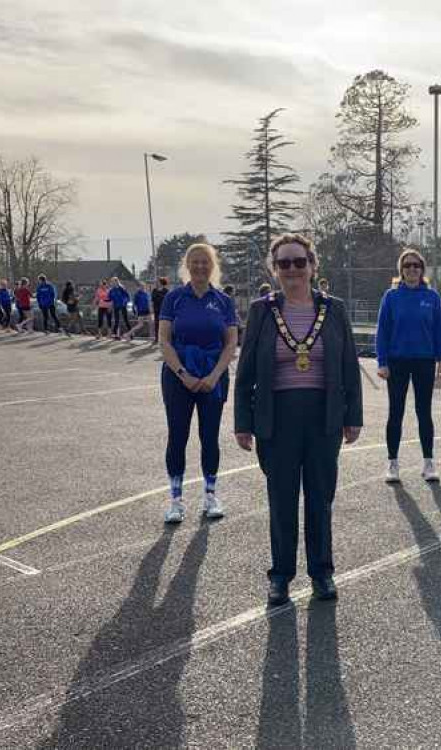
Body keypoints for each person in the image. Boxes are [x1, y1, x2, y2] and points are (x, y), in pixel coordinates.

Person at [234, 233, 363, 606]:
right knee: (282, 499)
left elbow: (348, 365)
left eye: (299, 262)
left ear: (312, 265)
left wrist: (352, 414)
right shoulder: (262, 310)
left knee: (320, 498)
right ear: (274, 270)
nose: (292, 269)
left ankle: (322, 573)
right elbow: (245, 373)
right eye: (284, 263)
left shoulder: (334, 308)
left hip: (324, 417)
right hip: (277, 418)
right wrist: (243, 421)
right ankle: (280, 576)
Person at [158, 243, 239, 525]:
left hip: (212, 376)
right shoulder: (174, 298)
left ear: (213, 265)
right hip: (178, 377)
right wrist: (183, 374)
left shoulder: (223, 301)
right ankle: (176, 501)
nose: (200, 266)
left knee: (210, 437)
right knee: (177, 437)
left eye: (205, 262)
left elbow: (231, 343)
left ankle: (210, 495)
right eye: (195, 262)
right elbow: (164, 341)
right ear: (187, 266)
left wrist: (214, 375)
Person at [375, 248, 441, 484]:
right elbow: (382, 330)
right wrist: (382, 362)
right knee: (395, 412)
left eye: (416, 265)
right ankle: (392, 463)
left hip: (424, 361)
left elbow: (439, 331)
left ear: (422, 269)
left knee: (424, 412)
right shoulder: (391, 296)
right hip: (397, 362)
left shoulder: (432, 297)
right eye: (407, 266)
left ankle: (428, 463)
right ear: (401, 270)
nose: (412, 269)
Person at [151, 277, 170, 344]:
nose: (156, 283)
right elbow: (152, 301)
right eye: (156, 282)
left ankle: (165, 339)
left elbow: (168, 301)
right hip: (156, 310)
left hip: (164, 310)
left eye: (157, 282)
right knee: (156, 324)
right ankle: (156, 339)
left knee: (164, 325)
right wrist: (152, 310)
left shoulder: (166, 291)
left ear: (161, 282)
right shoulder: (154, 290)